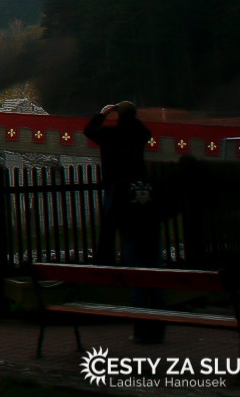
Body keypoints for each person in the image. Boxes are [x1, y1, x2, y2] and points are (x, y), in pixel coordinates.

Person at [84, 100, 161, 341]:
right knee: (154, 267)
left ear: (118, 115)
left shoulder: (111, 134)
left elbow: (89, 131)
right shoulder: (139, 134)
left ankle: (140, 329)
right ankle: (159, 328)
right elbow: (145, 130)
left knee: (132, 260)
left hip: (118, 194)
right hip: (141, 196)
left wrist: (103, 113)